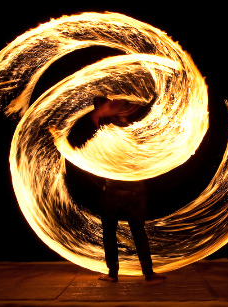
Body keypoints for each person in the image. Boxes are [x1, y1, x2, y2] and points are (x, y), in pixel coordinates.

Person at [89, 97, 166, 283]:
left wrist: (100, 112)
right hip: (135, 191)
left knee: (109, 233)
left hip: (114, 192)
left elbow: (97, 162)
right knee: (138, 232)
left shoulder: (106, 135)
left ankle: (113, 274)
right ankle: (148, 273)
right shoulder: (133, 134)